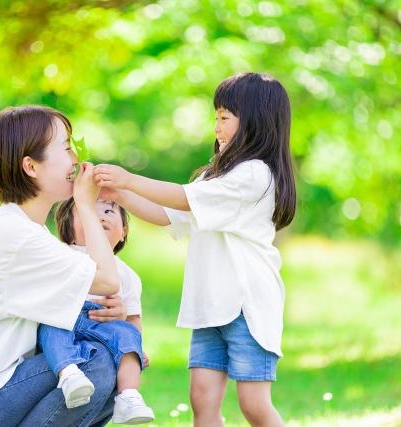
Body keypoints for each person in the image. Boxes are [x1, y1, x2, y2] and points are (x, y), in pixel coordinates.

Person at [93, 72, 296, 427]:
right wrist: (120, 194)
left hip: (247, 306)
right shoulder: (213, 177)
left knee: (253, 404)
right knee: (201, 399)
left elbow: (182, 198)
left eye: (224, 117)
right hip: (211, 306)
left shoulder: (254, 175)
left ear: (254, 123)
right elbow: (167, 214)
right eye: (215, 116)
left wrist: (128, 178)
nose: (215, 126)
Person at [0, 105, 125, 427]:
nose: (76, 157)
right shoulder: (14, 235)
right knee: (97, 361)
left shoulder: (28, 231)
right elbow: (107, 279)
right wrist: (86, 204)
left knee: (115, 359)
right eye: (66, 146)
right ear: (31, 166)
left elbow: (97, 290)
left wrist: (110, 312)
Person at [36, 197, 154, 424]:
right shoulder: (61, 254)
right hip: (65, 319)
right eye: (87, 210)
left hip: (104, 326)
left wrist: (135, 347)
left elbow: (132, 319)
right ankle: (69, 374)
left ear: (123, 232)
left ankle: (128, 396)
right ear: (68, 229)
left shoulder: (127, 275)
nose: (100, 216)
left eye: (109, 211)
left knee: (127, 335)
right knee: (51, 329)